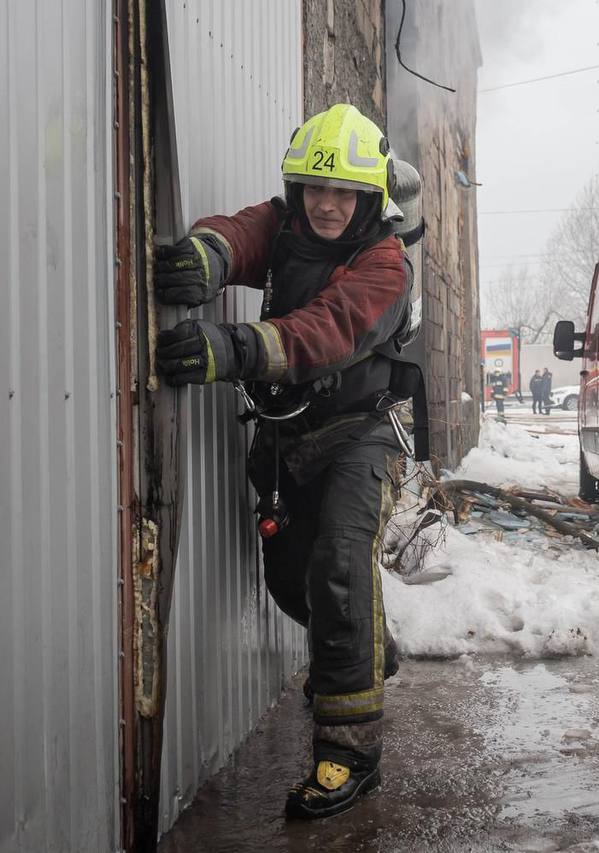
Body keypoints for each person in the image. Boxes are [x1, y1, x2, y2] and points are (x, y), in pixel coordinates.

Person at [153, 104, 419, 821]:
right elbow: (243, 234)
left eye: (343, 194)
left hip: (361, 437)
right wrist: (207, 252)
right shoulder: (289, 221)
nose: (326, 205)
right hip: (287, 441)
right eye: (314, 188)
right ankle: (367, 648)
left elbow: (326, 330)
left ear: (370, 197)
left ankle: (349, 750)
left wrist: (235, 348)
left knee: (339, 561)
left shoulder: (385, 264)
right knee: (293, 584)